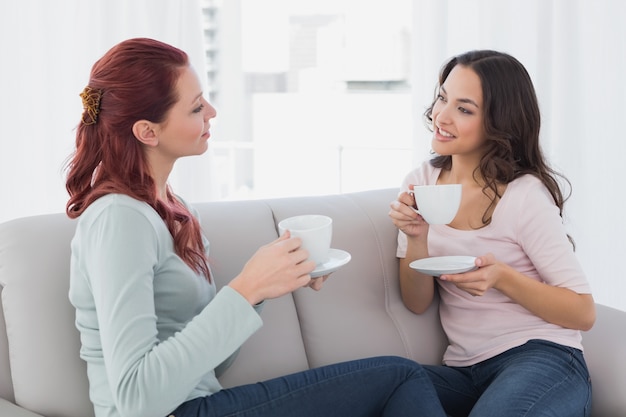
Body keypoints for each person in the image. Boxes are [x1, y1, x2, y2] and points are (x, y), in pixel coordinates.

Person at [64, 37, 446, 417]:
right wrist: (245, 289)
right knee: (400, 377)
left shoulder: (171, 209)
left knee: (407, 380)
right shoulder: (119, 219)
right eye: (196, 107)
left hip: (200, 404)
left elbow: (212, 366)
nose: (211, 112)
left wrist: (263, 289)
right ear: (148, 132)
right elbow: (136, 399)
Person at [388, 50, 595, 417]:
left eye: (464, 109)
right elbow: (417, 303)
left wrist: (502, 277)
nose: (441, 116)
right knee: (385, 383)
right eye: (442, 97)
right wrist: (417, 237)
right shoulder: (420, 182)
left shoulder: (524, 194)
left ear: (499, 122)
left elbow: (583, 312)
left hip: (542, 357)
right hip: (465, 372)